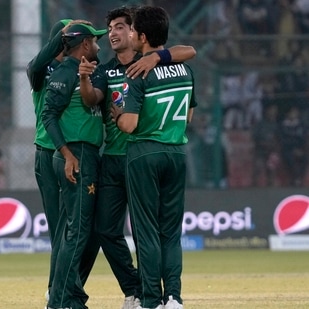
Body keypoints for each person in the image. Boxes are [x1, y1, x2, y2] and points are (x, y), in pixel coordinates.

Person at [78, 6, 196, 309]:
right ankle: (171, 297)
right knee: (166, 232)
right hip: (171, 151)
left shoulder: (139, 72)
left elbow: (129, 125)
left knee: (145, 233)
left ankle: (149, 299)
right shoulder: (184, 69)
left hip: (141, 153)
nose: (115, 34)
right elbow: (190, 114)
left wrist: (120, 117)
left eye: (121, 27)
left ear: (137, 34)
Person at [26, 19, 100, 304]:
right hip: (49, 152)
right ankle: (57, 294)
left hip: (69, 151)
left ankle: (66, 288)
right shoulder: (41, 72)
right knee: (63, 229)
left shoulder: (80, 68)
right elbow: (34, 66)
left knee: (81, 229)